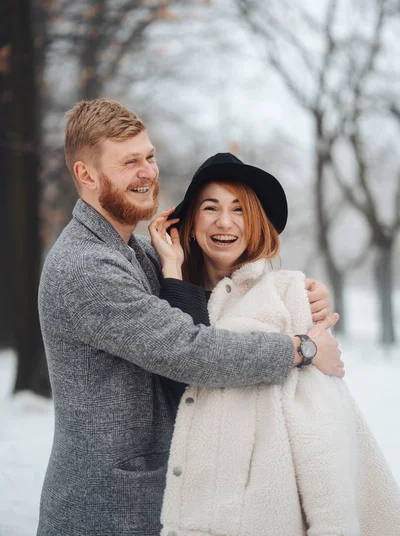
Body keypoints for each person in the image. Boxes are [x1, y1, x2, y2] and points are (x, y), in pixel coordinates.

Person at [37, 99, 341, 536]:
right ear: (85, 175)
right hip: (106, 511)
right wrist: (302, 347)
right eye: (129, 163)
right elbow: (190, 349)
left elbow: (215, 302)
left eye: (150, 157)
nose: (147, 172)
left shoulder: (137, 252)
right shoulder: (87, 268)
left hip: (157, 504)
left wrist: (299, 295)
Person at [148, 152, 400, 536]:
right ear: (191, 222)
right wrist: (172, 269)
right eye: (210, 207)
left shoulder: (288, 298)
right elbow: (186, 369)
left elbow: (323, 435)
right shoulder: (162, 294)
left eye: (239, 209)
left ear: (256, 222)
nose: (225, 222)